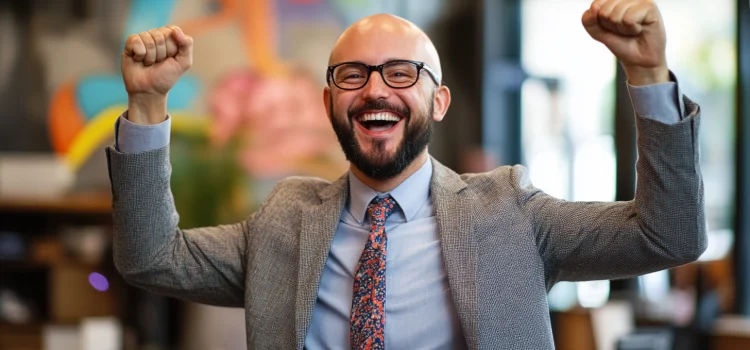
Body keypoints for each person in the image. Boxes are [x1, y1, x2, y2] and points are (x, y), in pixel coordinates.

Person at [106, 0, 706, 348]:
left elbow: (669, 235)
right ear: (328, 102)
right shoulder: (283, 220)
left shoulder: (511, 213)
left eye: (400, 73)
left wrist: (649, 76)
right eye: (353, 75)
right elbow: (150, 256)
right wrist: (148, 107)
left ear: (439, 101)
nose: (374, 90)